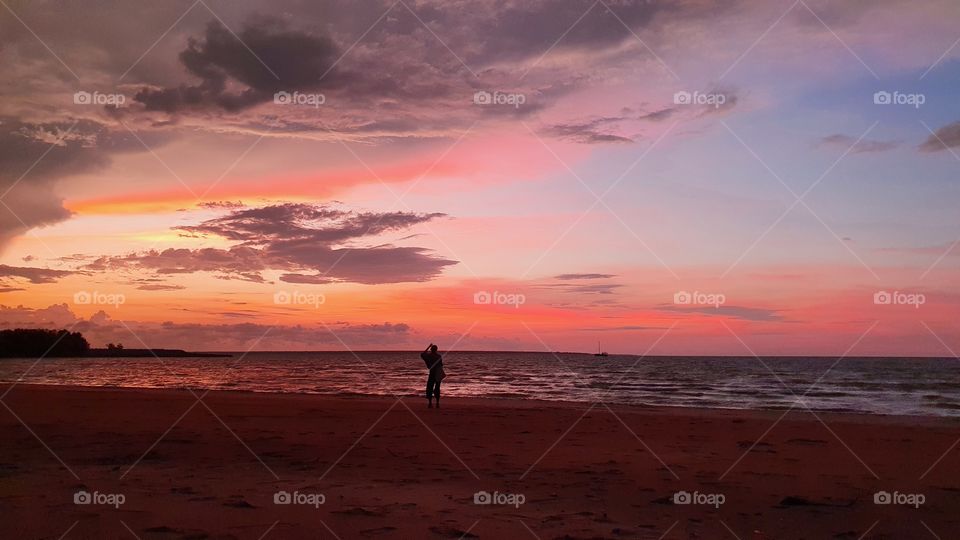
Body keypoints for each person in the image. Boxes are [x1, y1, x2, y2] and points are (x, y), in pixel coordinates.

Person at [421, 343, 443, 408]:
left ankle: (430, 403)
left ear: (431, 349)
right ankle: (437, 403)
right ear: (436, 349)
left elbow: (422, 354)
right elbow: (441, 365)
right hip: (438, 373)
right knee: (437, 388)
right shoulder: (439, 356)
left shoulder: (429, 356)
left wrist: (428, 347)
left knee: (430, 388)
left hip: (432, 373)